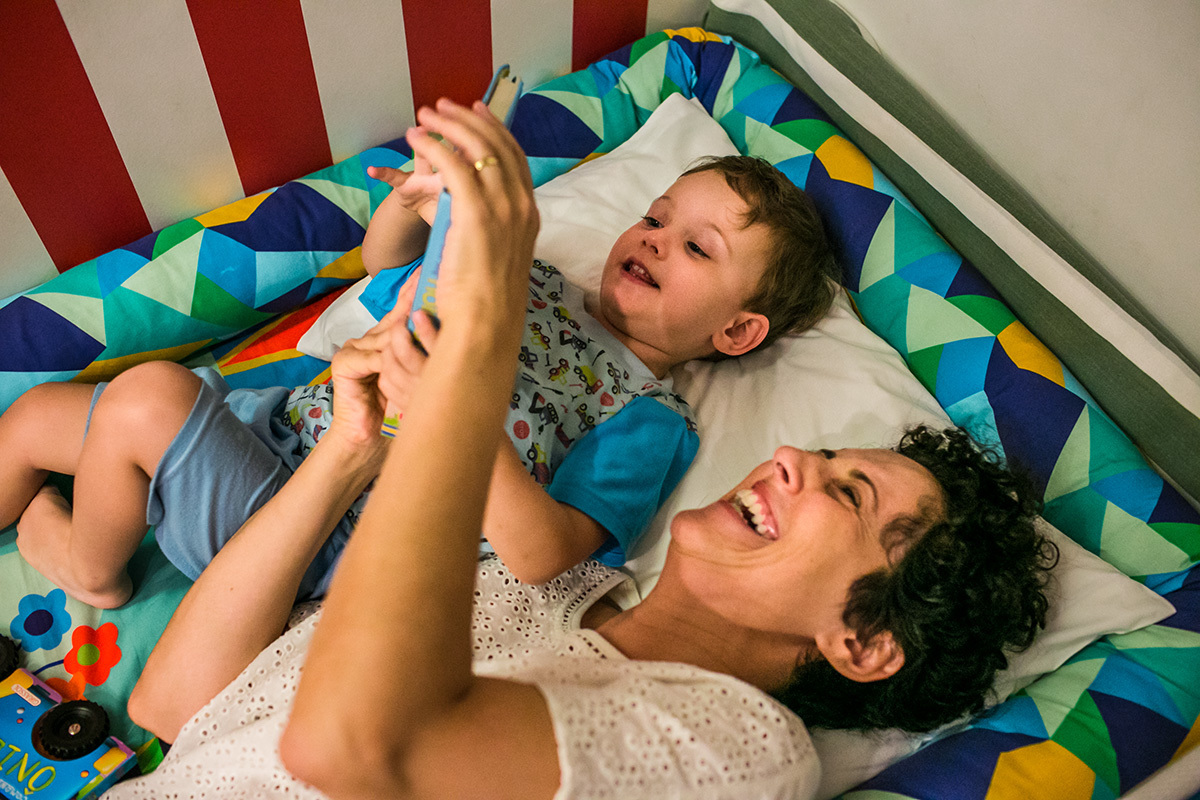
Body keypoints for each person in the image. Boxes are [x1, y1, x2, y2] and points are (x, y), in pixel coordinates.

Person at [110, 99, 1055, 799]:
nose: (795, 460)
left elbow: (353, 746)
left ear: (862, 643)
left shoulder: (750, 753)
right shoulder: (525, 585)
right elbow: (171, 711)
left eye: (847, 496)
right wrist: (348, 451)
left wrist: (466, 373)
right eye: (832, 459)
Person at [0, 121, 839, 608]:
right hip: (270, 426)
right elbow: (383, 268)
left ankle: (92, 565)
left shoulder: (646, 417)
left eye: (696, 247)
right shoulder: (529, 276)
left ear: (735, 334)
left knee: (142, 402)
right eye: (657, 216)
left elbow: (548, 555)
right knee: (36, 416)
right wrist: (415, 207)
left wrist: (459, 415)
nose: (654, 237)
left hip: (319, 530)